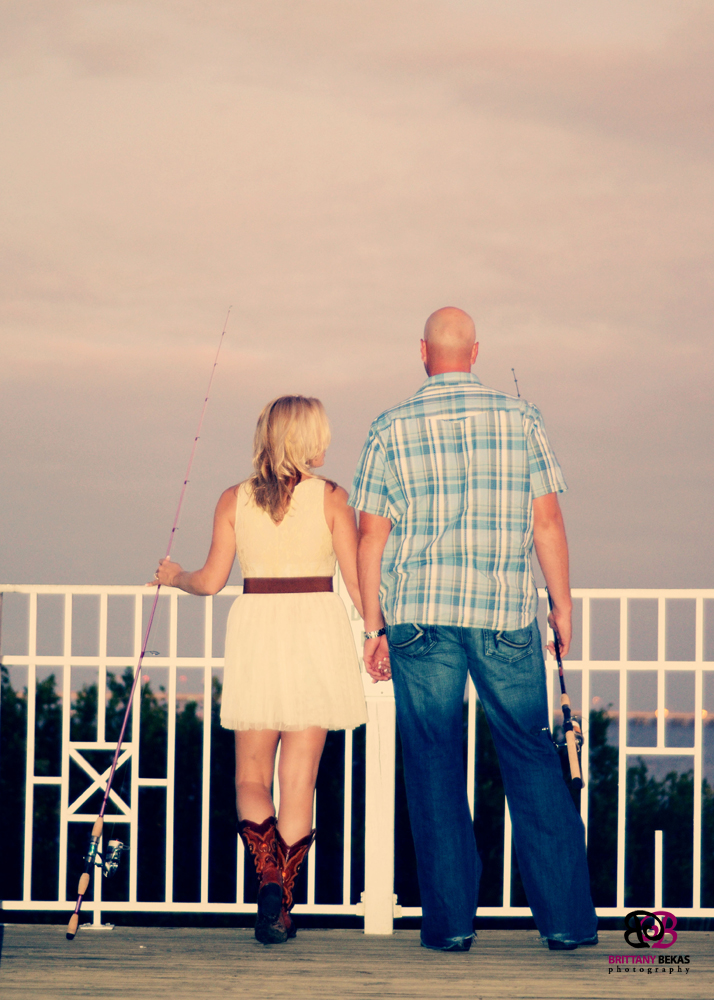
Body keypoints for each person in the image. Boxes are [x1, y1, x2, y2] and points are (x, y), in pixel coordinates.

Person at [349, 307, 597, 952]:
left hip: (419, 614)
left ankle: (451, 926)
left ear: (423, 352)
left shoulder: (389, 426)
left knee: (432, 763)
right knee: (532, 757)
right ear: (476, 352)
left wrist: (374, 627)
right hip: (504, 613)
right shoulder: (522, 418)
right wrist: (562, 606)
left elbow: (371, 537)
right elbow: (547, 522)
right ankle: (566, 922)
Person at [151, 395, 367, 944]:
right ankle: (281, 903)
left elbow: (210, 581)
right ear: (306, 439)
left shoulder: (233, 498)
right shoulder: (333, 498)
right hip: (316, 632)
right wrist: (378, 634)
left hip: (257, 632)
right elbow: (358, 583)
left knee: (251, 777)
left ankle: (269, 876)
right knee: (299, 781)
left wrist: (174, 576)